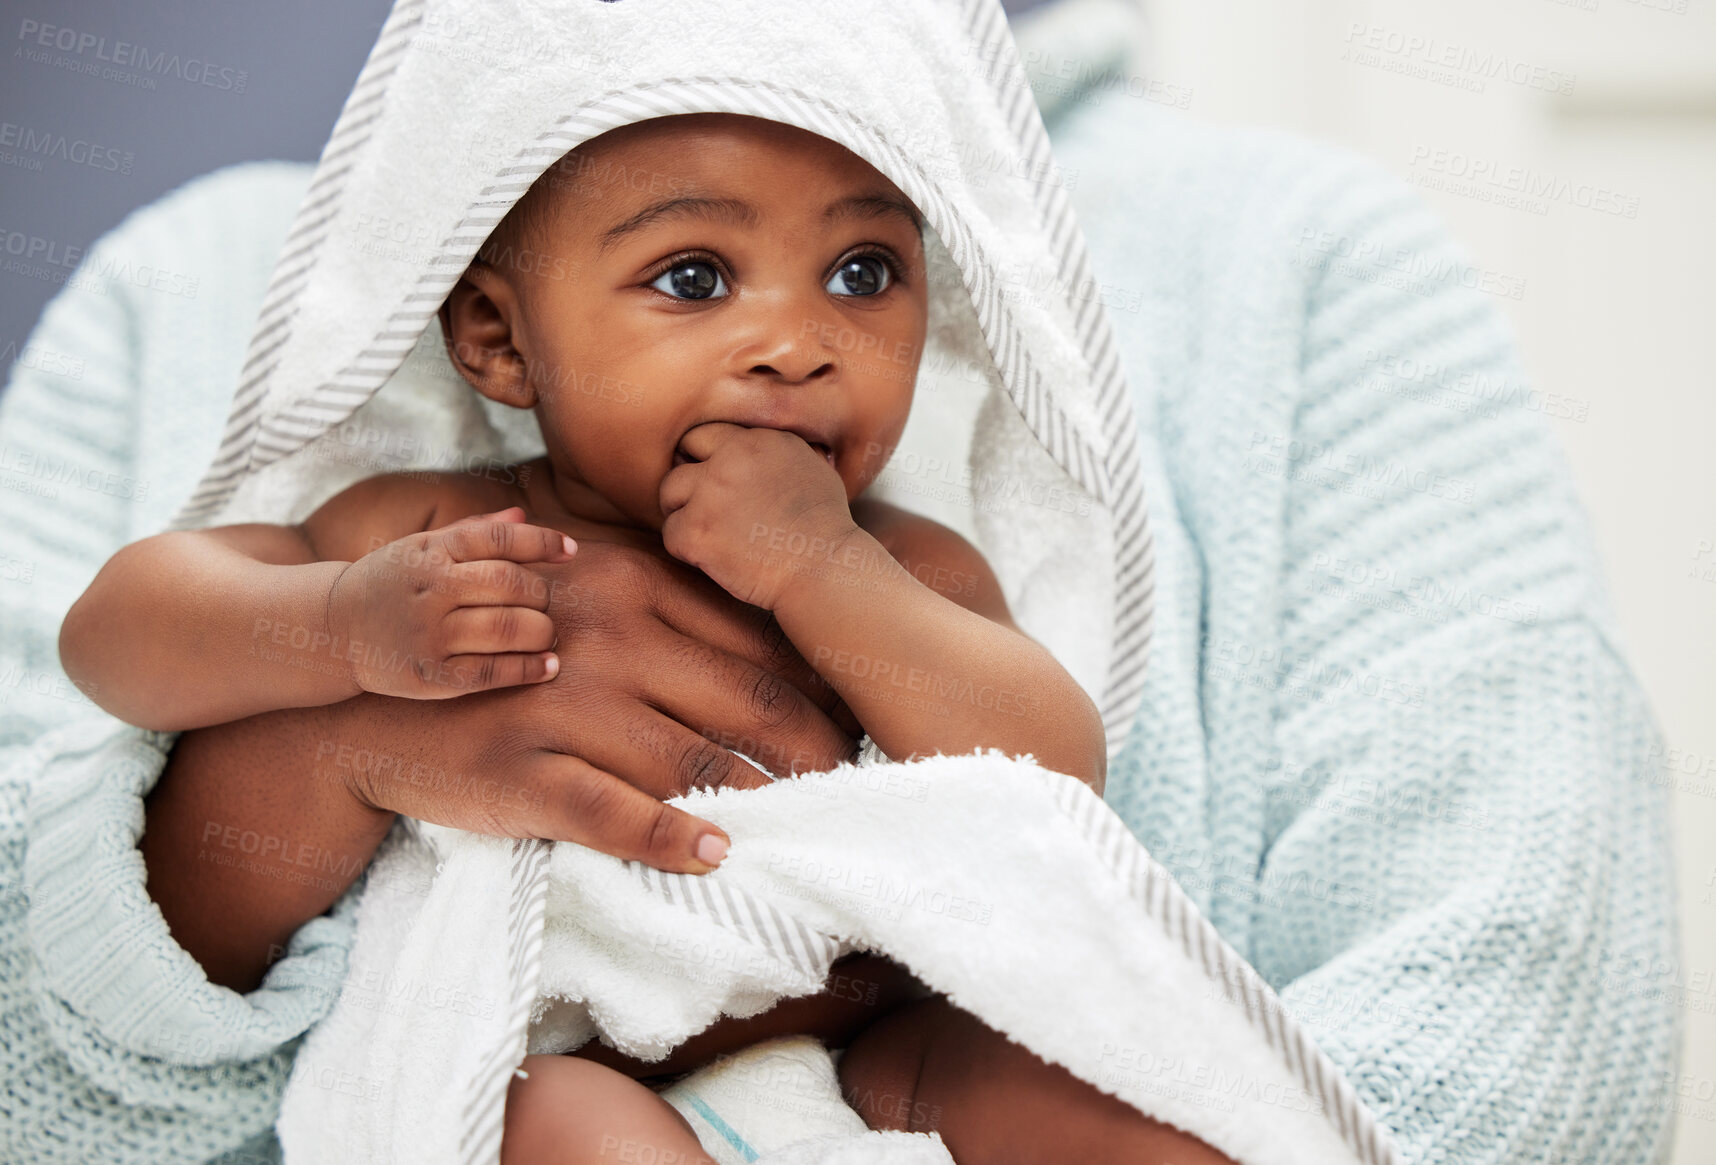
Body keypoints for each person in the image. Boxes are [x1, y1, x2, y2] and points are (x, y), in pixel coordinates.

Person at [56, 114, 1233, 1165]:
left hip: (874, 1052)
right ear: (500, 340)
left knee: (1117, 1088)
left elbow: (1053, 779)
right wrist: (334, 625)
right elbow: (114, 636)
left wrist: (827, 570)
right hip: (578, 1072)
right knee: (541, 1122)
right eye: (695, 276)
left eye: (863, 272)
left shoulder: (902, 567)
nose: (798, 342)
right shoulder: (438, 531)